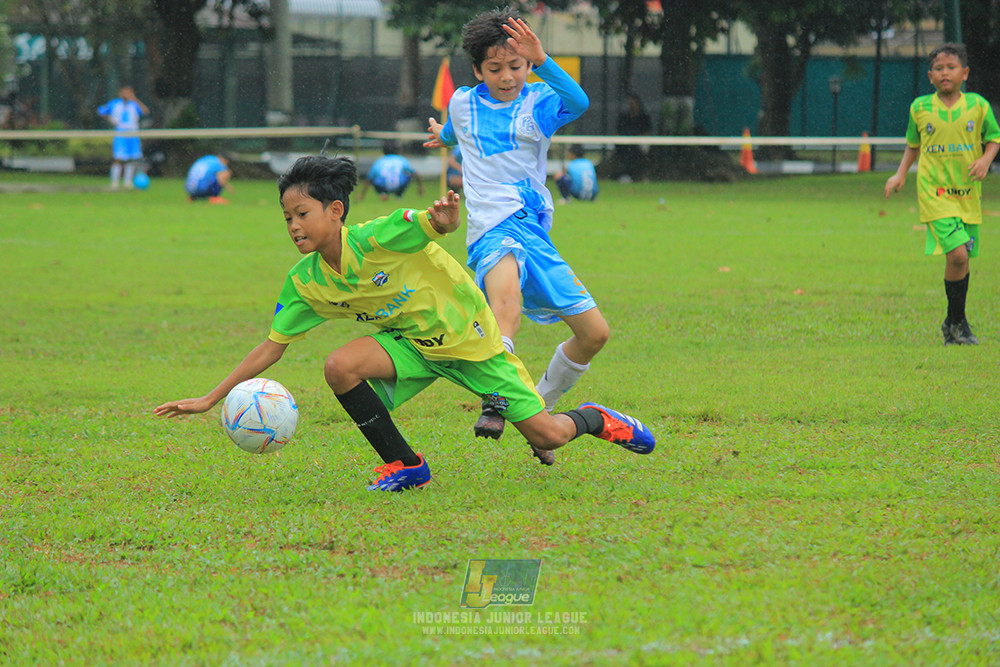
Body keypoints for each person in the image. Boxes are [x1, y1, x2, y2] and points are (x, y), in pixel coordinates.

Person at [152, 155, 655, 491]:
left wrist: (446, 219)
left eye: (302, 214)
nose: (294, 227)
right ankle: (408, 465)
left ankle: (597, 418)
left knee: (548, 436)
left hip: (470, 341)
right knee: (340, 366)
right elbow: (271, 348)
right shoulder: (306, 283)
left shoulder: (380, 237)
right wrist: (209, 399)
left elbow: (435, 224)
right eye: (287, 219)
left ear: (336, 210)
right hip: (413, 344)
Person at [424, 7, 608, 466]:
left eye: (516, 66)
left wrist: (543, 60)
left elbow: (580, 102)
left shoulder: (539, 102)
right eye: (495, 68)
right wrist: (442, 136)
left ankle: (536, 411)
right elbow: (455, 129)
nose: (507, 77)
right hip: (491, 228)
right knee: (505, 308)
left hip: (534, 232)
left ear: (528, 65)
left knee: (594, 334)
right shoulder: (464, 103)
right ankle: (496, 400)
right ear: (476, 70)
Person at [884, 43, 1000, 346]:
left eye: (951, 67)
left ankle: (954, 322)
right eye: (938, 68)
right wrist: (900, 174)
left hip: (967, 193)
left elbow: (994, 138)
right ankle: (958, 323)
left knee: (962, 260)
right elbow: (913, 144)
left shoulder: (978, 105)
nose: (944, 72)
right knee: (958, 253)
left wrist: (986, 160)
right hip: (934, 193)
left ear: (965, 73)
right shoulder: (920, 108)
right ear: (930, 76)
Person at [97, 85, 149, 190]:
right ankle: (115, 182)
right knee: (118, 158)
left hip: (133, 133)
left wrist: (135, 99)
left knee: (131, 159)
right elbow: (101, 111)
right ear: (121, 93)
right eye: (125, 92)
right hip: (120, 133)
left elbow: (145, 111)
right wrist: (110, 119)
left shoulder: (134, 104)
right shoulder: (114, 104)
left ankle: (127, 182)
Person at [358, 142, 423, 201]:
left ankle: (382, 193)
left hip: (383, 186)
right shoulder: (402, 160)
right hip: (399, 186)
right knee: (408, 175)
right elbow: (416, 174)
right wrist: (420, 187)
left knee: (374, 178)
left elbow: (369, 178)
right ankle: (398, 196)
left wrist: (362, 194)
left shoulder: (379, 161)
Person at [614, 93, 651, 183]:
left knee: (634, 151)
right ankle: (625, 175)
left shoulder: (644, 117)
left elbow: (647, 132)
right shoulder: (624, 116)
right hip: (625, 143)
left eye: (634, 103)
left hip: (640, 143)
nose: (632, 105)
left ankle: (638, 175)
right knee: (627, 151)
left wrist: (636, 139)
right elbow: (618, 132)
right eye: (630, 103)